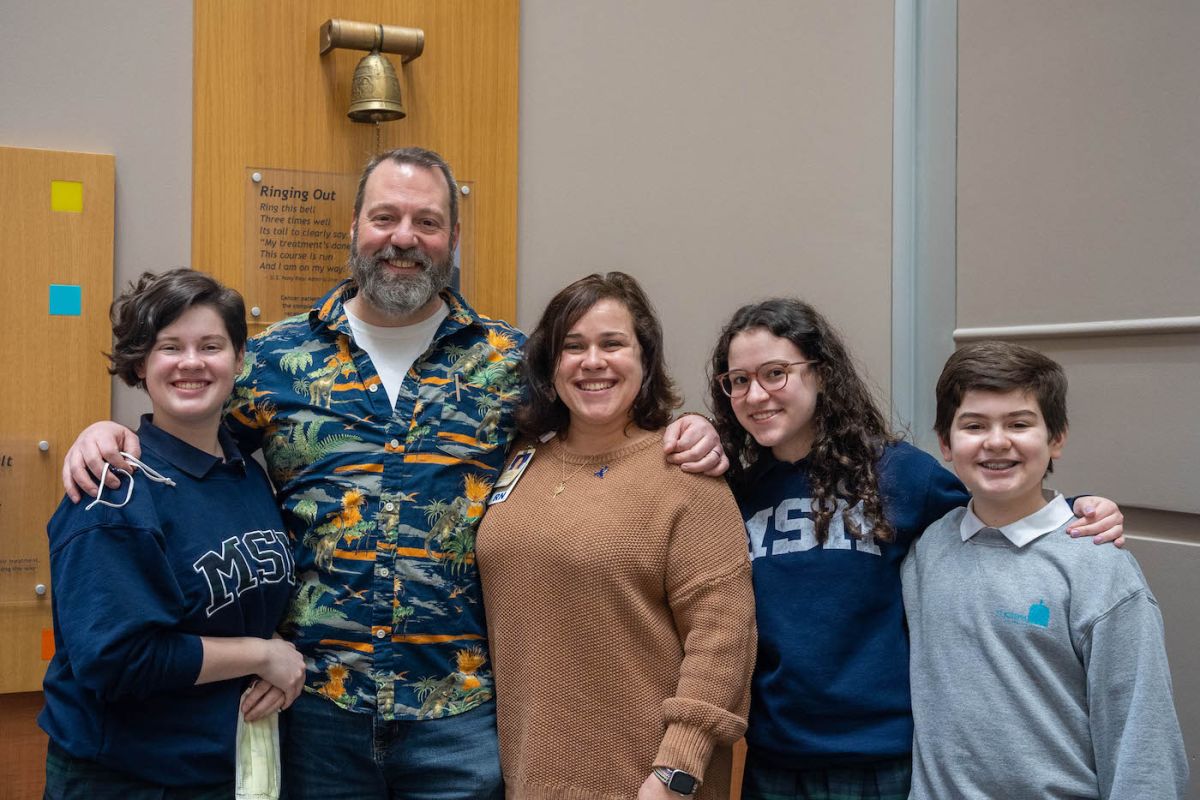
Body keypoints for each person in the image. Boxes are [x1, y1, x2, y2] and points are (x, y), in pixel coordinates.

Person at [60, 148, 725, 799]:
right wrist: (109, 432)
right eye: (384, 218)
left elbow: (600, 430)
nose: (403, 238)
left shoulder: (511, 362)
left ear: (453, 237)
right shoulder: (272, 359)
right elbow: (194, 442)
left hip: (458, 718)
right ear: (354, 229)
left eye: (427, 222)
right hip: (315, 710)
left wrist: (688, 428)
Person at [706, 299, 1126, 800]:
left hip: (881, 758)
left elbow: (996, 506)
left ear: (821, 374)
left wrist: (1076, 509)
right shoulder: (735, 490)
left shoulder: (901, 475)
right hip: (775, 756)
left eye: (776, 373)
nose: (756, 394)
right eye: (739, 380)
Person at [475, 272, 756, 799]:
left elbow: (723, 639)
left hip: (647, 783)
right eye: (573, 346)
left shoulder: (684, 472)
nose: (593, 362)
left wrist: (677, 770)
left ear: (644, 359)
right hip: (529, 776)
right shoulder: (520, 459)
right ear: (550, 365)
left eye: (613, 344)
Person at [40, 269, 304, 798]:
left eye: (211, 345)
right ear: (141, 363)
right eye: (169, 347)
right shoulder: (113, 488)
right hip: (126, 778)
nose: (191, 363)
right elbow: (117, 661)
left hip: (221, 765)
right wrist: (262, 654)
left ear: (239, 361)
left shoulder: (247, 474)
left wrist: (272, 650)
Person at [902, 341, 1188, 799]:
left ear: (1056, 437)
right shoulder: (926, 551)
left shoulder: (1098, 565)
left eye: (1019, 423)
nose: (996, 441)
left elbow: (1142, 737)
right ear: (945, 443)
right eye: (974, 425)